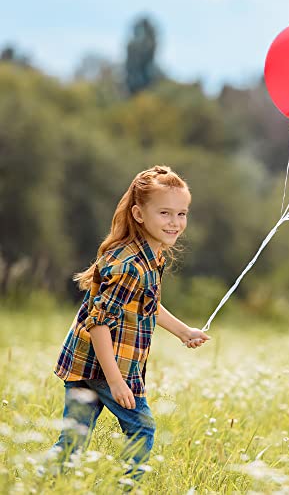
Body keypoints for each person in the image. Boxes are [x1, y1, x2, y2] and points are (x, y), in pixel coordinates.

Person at [48, 165, 211, 487]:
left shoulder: (151, 256)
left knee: (73, 439)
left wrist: (183, 331)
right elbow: (98, 324)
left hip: (85, 362)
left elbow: (147, 304)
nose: (175, 222)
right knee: (142, 428)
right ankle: (126, 488)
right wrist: (117, 380)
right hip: (106, 365)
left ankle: (41, 483)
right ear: (138, 213)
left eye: (182, 213)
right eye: (164, 213)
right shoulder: (130, 265)